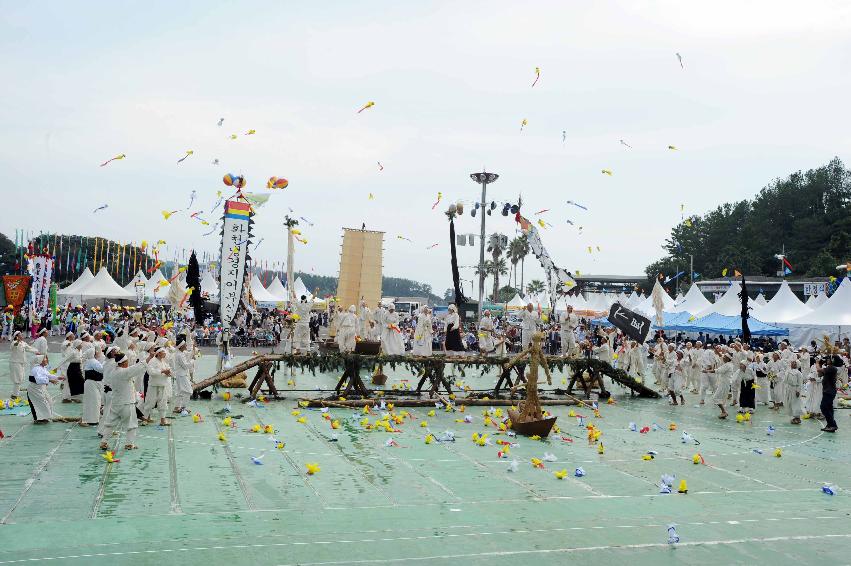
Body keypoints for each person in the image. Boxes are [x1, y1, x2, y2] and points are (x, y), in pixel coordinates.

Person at [100, 354, 148, 450]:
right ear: (123, 363)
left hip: (116, 403)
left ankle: (104, 442)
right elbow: (135, 368)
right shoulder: (124, 372)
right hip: (126, 403)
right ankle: (129, 444)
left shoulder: (113, 372)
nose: (128, 363)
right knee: (131, 424)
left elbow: (132, 369)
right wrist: (149, 358)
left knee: (110, 423)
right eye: (127, 361)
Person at [27, 355, 62, 423]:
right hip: (35, 389)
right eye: (45, 358)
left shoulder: (43, 368)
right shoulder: (36, 369)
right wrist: (49, 380)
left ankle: (45, 417)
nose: (46, 360)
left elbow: (48, 375)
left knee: (49, 402)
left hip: (41, 388)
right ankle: (39, 419)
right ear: (40, 361)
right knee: (40, 404)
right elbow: (38, 380)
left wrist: (58, 377)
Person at [143, 348, 172, 426]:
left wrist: (168, 372)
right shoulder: (152, 361)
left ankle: (163, 420)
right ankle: (145, 419)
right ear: (158, 353)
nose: (164, 353)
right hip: (153, 385)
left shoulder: (163, 362)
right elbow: (151, 372)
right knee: (150, 402)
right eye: (163, 352)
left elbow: (169, 370)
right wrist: (162, 371)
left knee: (163, 403)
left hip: (162, 384)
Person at [9, 331, 39, 399]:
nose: (22, 336)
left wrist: (37, 352)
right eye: (20, 335)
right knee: (18, 378)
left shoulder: (23, 343)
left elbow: (29, 348)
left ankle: (17, 390)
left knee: (21, 377)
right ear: (17, 336)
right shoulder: (14, 343)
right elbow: (14, 346)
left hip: (21, 363)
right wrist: (17, 341)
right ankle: (14, 395)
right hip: (15, 363)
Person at [80, 350, 104, 427]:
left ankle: (92, 419)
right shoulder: (93, 361)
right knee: (93, 402)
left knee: (94, 402)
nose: (98, 352)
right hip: (92, 383)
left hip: (92, 383)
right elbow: (102, 370)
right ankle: (90, 420)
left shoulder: (91, 361)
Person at [816, 356, 839, 432]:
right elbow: (819, 374)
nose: (827, 360)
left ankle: (832, 425)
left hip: (829, 391)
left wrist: (817, 362)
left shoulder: (832, 368)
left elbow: (819, 369)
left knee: (824, 407)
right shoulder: (829, 368)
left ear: (832, 361)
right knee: (829, 408)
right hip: (828, 391)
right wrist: (821, 365)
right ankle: (830, 425)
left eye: (828, 359)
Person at [172, 341, 194, 414]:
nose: (186, 345)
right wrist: (192, 362)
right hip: (181, 375)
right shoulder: (179, 355)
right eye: (185, 345)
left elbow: (186, 358)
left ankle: (177, 407)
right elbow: (185, 366)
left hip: (180, 375)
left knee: (180, 392)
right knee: (188, 391)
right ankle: (183, 408)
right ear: (181, 346)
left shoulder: (180, 353)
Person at [784, 360, 804, 425]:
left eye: (795, 363)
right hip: (789, 389)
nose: (793, 364)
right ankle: (794, 417)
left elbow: (800, 383)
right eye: (792, 363)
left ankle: (797, 417)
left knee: (796, 403)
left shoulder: (798, 373)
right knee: (790, 403)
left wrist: (798, 391)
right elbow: (785, 380)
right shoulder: (788, 371)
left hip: (795, 389)